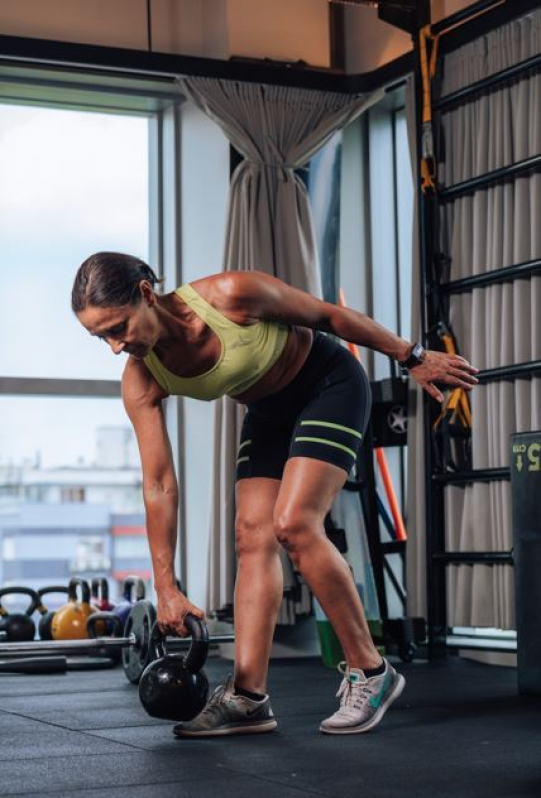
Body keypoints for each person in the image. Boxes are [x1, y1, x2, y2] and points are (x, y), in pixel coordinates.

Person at [72, 252, 479, 738]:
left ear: (144, 294)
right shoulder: (142, 378)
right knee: (250, 536)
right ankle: (248, 698)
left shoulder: (230, 296)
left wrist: (411, 356)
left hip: (328, 385)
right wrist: (165, 586)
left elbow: (330, 315)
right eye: (102, 337)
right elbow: (159, 482)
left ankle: (372, 671)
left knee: (293, 525)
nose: (116, 346)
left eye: (117, 328)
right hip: (268, 410)